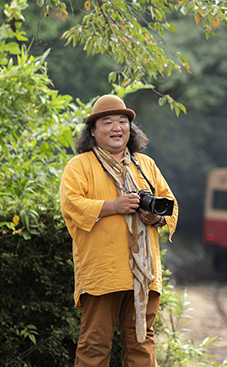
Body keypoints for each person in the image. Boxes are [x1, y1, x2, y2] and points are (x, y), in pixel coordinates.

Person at [60, 94, 178, 366]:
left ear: (131, 129)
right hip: (103, 272)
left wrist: (154, 218)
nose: (117, 127)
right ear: (92, 131)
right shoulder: (79, 165)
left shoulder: (145, 164)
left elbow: (169, 204)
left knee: (142, 343)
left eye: (123, 121)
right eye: (107, 122)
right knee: (94, 345)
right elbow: (72, 205)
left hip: (143, 275)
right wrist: (114, 205)